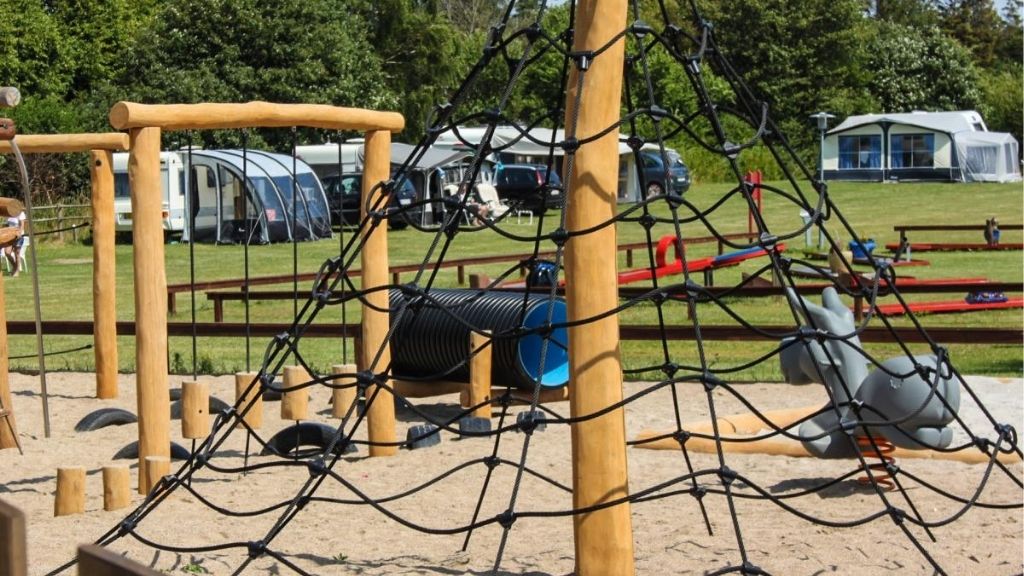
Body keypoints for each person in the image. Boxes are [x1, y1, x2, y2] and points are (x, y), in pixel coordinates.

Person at [4, 209, 26, 276]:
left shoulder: (21, 213)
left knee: (17, 253)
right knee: (7, 252)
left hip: (18, 236)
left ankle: (17, 271)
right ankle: (15, 267)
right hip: (10, 236)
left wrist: (19, 233)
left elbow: (22, 225)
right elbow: (8, 225)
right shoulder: (9, 213)